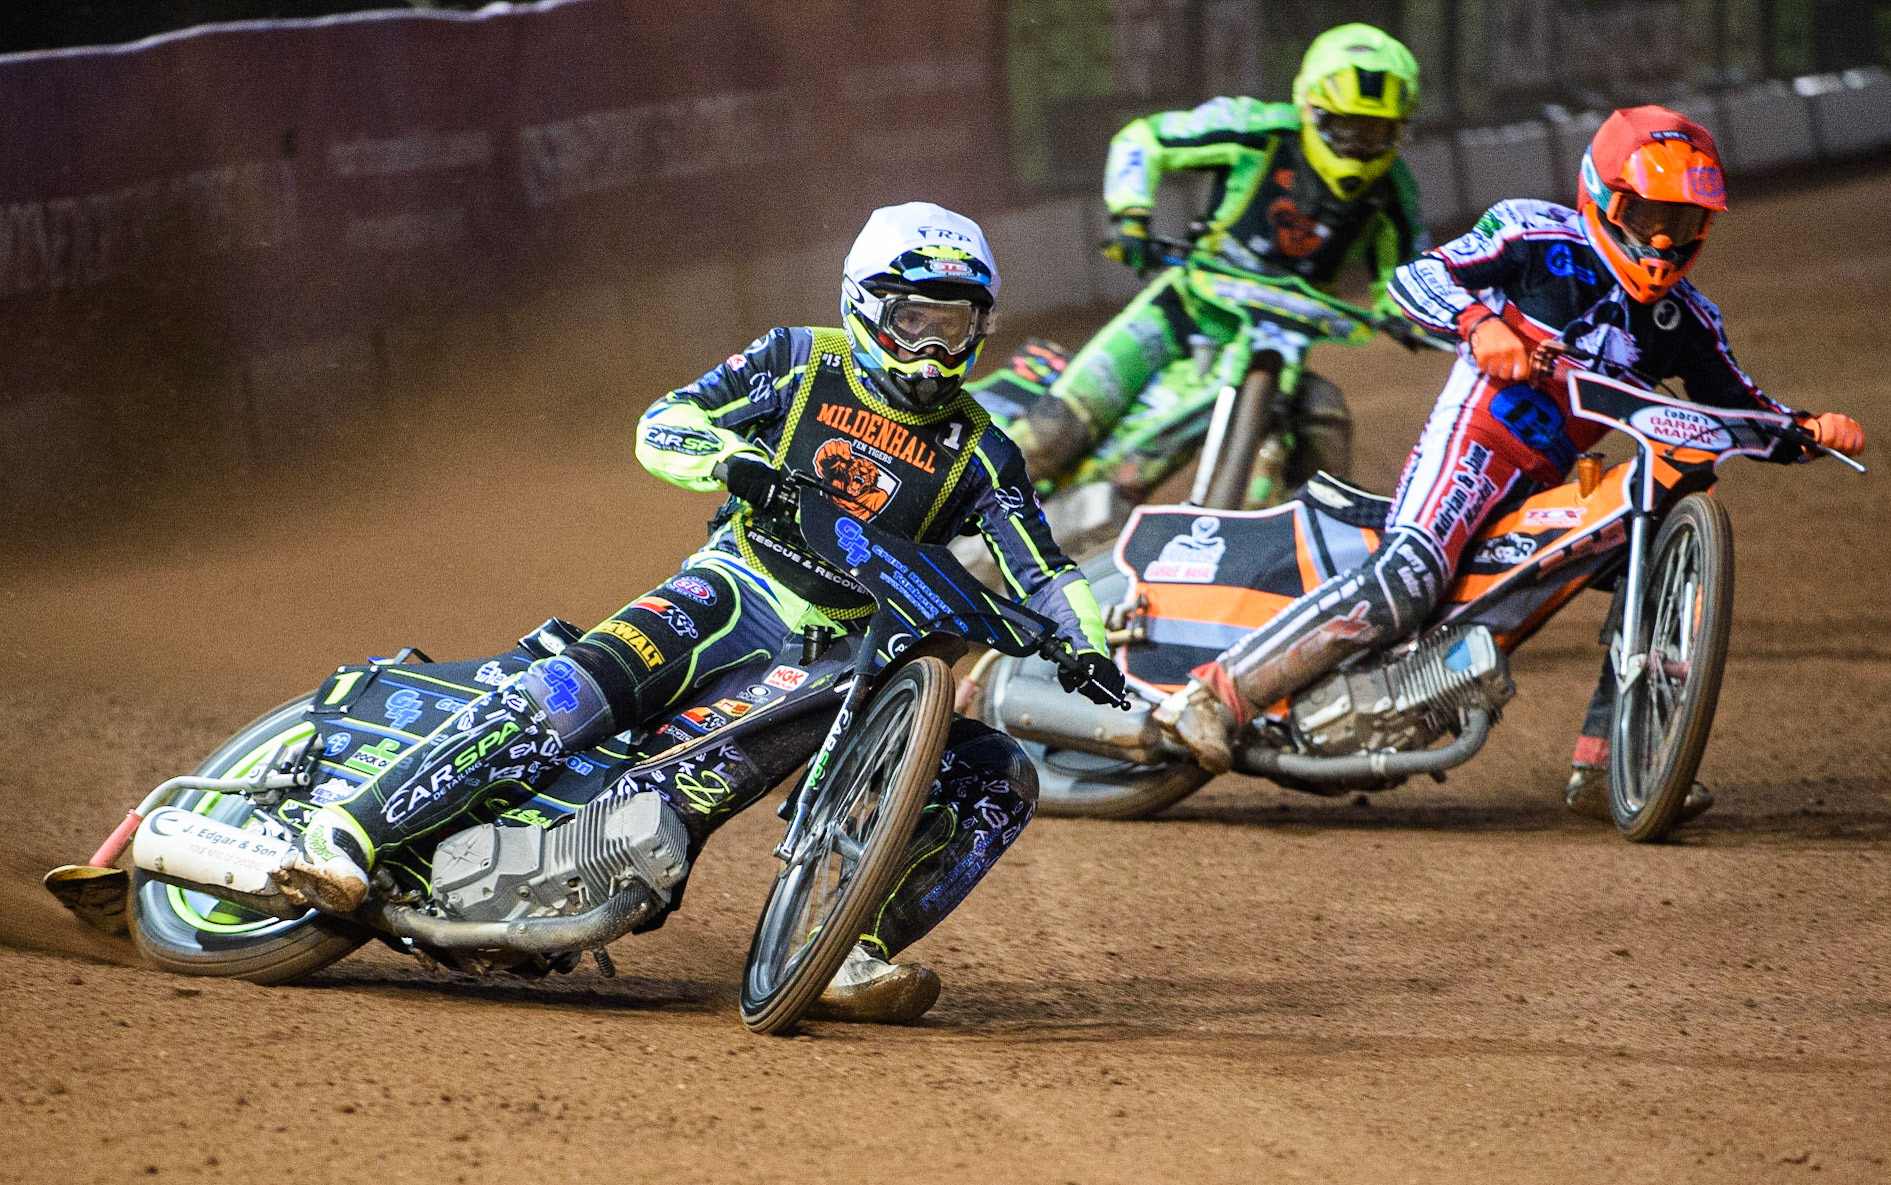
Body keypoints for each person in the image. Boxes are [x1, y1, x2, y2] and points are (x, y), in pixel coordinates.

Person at [275, 202, 1126, 1021]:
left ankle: (844, 949)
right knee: (574, 691)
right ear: (866, 306)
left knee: (997, 776)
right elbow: (666, 419)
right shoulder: (798, 358)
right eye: (914, 322)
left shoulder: (983, 451)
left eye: (955, 325)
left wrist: (1086, 647)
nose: (934, 349)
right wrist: (729, 461)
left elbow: (1042, 568)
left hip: (846, 653)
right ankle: (354, 832)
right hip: (735, 587)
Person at [1151, 106, 1864, 821]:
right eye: (1647, 215)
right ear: (1603, 197)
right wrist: (1479, 323)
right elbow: (1416, 277)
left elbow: (1739, 407)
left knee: (1643, 566)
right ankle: (1213, 697)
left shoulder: (1688, 320)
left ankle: (1607, 766)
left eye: (1680, 223)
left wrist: (1806, 429)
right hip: (1474, 444)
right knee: (1409, 577)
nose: (1660, 240)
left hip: (1544, 483)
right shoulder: (1531, 232)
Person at [1008, 22, 1426, 502]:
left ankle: (1302, 539)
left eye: (1376, 131)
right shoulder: (1255, 130)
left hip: (1279, 344)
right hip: (1181, 311)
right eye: (1347, 127)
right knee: (1049, 435)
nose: (1359, 144)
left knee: (1324, 419)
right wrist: (1131, 217)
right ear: (1311, 109)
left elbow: (1410, 275)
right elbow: (1143, 139)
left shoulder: (1393, 191)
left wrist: (1411, 314)